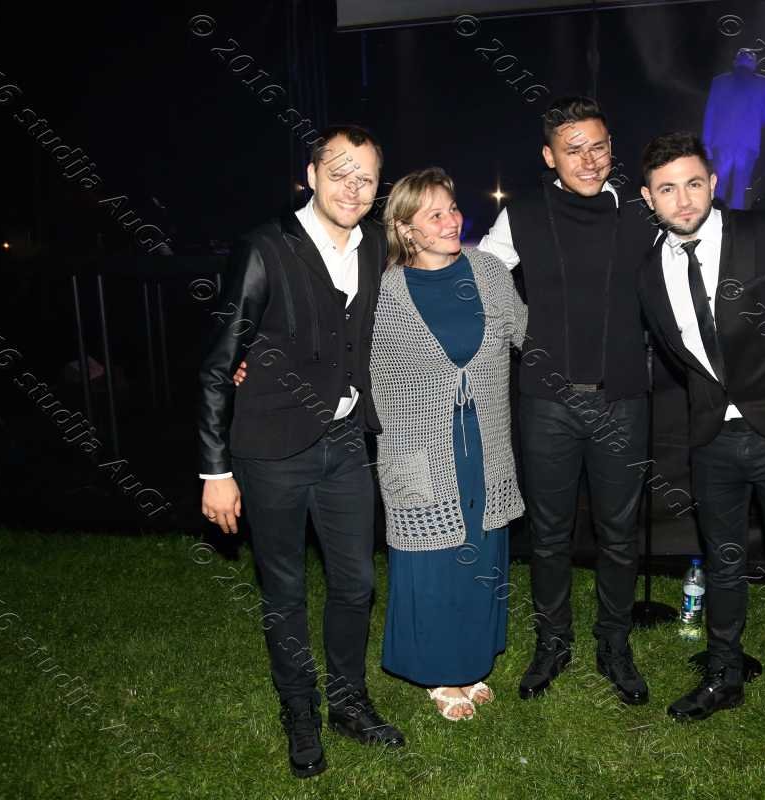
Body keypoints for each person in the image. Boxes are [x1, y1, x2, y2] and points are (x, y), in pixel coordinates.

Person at [197, 125, 404, 779]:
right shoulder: (265, 247)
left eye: (366, 178)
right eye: (339, 173)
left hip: (345, 441)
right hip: (271, 451)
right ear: (311, 176)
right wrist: (215, 469)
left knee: (356, 583)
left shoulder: (375, 246)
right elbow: (218, 363)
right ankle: (299, 711)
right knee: (283, 590)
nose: (352, 188)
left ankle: (348, 701)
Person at [636, 132, 765, 762]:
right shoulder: (649, 269)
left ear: (713, 184)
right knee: (722, 564)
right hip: (711, 440)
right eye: (667, 189)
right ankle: (724, 677)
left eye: (693, 183)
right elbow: (681, 354)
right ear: (648, 198)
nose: (683, 199)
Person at [477, 96, 658, 705]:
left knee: (619, 535)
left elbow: (701, 233)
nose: (589, 160)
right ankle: (553, 642)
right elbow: (473, 278)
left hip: (622, 401)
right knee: (550, 535)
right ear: (549, 156)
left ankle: (614, 643)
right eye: (573, 149)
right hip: (547, 404)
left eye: (598, 146)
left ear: (612, 148)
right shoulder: (523, 214)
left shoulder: (642, 212)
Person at [373, 167, 527, 720]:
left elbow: (529, 334)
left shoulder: (488, 272)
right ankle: (440, 672)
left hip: (486, 443)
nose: (451, 220)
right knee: (432, 560)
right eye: (434, 214)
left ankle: (471, 661)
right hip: (419, 452)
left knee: (481, 553)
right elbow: (349, 360)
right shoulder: (386, 292)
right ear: (405, 228)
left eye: (453, 208)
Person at [702, 48, 765, 210]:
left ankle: (717, 221)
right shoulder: (763, 83)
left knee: (719, 186)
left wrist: (706, 143)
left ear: (735, 62)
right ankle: (737, 223)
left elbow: (710, 113)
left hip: (722, 142)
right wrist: (753, 124)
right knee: (740, 189)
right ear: (754, 65)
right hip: (748, 143)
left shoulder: (719, 82)